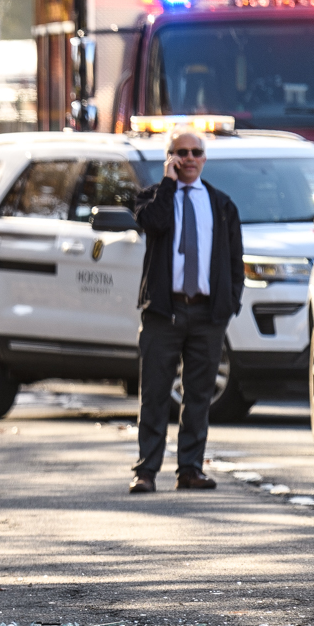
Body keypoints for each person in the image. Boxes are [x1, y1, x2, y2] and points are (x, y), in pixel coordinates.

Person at [129, 126, 245, 494]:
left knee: (198, 396)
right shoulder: (153, 198)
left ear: (204, 159)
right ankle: (146, 471)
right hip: (165, 312)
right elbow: (155, 223)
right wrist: (167, 184)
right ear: (170, 158)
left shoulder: (221, 205)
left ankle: (190, 469)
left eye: (196, 152)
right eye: (182, 152)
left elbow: (233, 260)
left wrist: (229, 304)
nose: (190, 159)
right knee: (156, 393)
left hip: (207, 315)